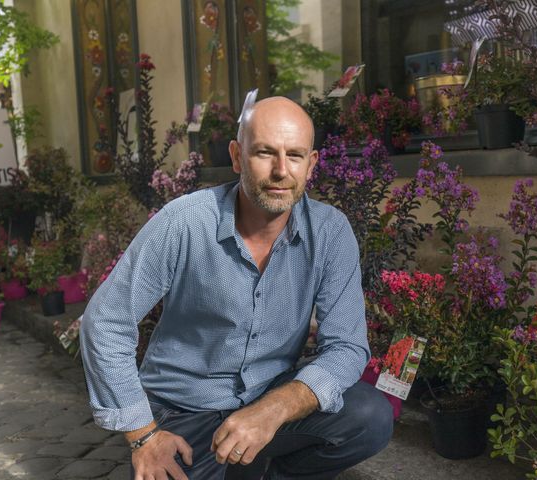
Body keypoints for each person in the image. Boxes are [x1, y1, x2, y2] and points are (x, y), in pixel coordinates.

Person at [80, 96, 393, 480]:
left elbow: (347, 347)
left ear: (311, 165)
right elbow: (106, 321)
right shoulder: (184, 223)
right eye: (265, 153)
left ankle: (263, 470)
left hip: (267, 401)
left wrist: (274, 409)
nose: (281, 170)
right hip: (183, 412)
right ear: (236, 156)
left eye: (294, 156)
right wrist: (143, 436)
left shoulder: (329, 232)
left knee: (368, 416)